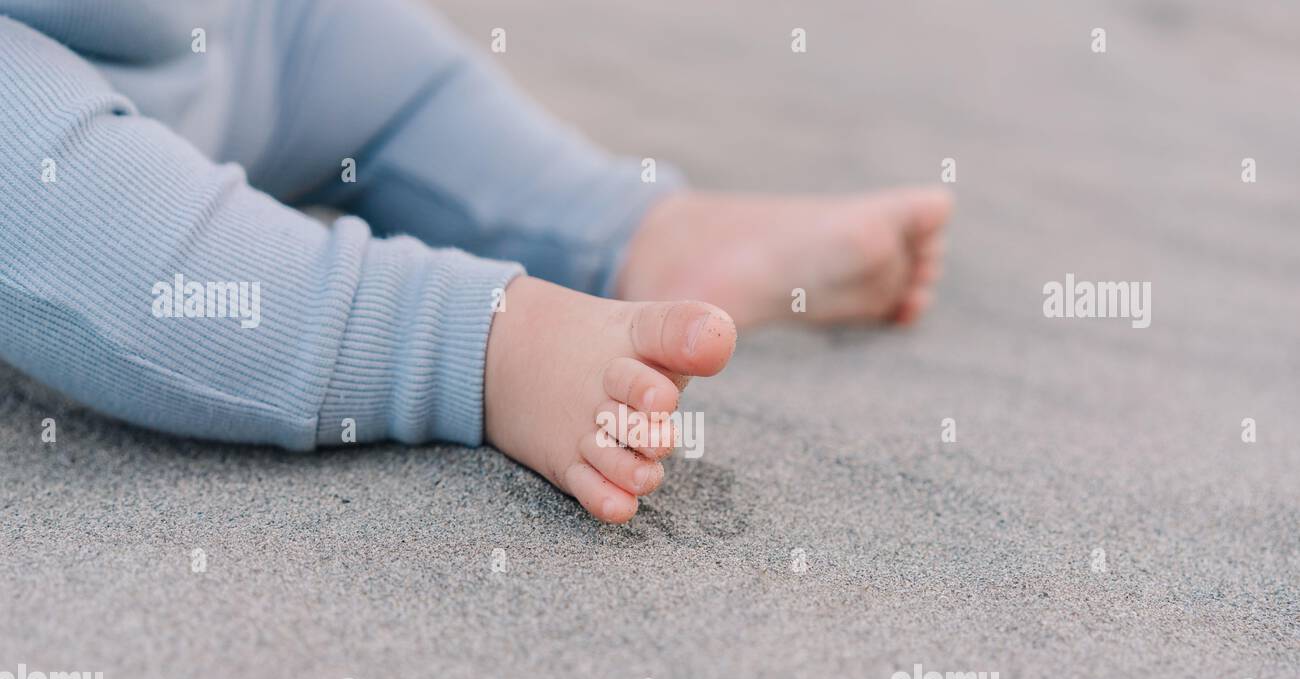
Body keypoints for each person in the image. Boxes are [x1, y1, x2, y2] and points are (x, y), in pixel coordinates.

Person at [0, 0, 951, 522]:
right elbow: (131, 271)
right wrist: (471, 345)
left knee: (377, 63)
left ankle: (640, 229)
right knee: (112, 227)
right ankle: (476, 343)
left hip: (196, 35)